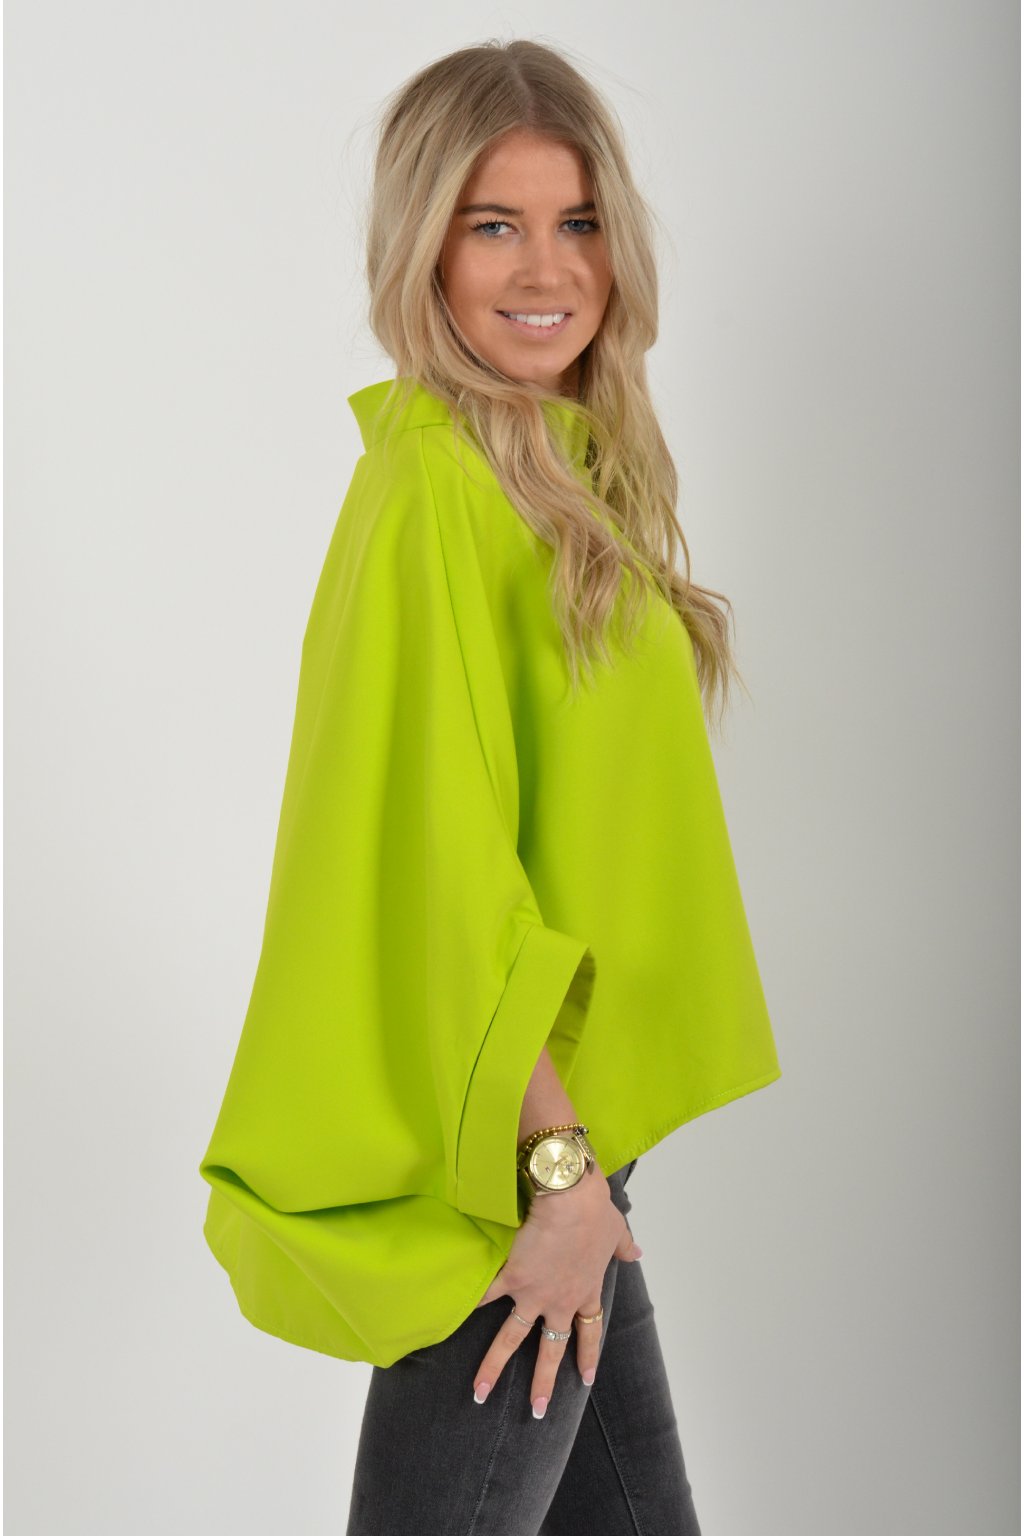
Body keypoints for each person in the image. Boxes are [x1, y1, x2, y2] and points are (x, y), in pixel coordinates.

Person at [198, 38, 782, 1536]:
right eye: (494, 224)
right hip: (510, 1160)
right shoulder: (435, 487)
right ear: (426, 250)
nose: (546, 268)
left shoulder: (563, 476)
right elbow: (442, 867)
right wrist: (558, 1172)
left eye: (577, 221)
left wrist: (586, 1169)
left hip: (567, 1144)